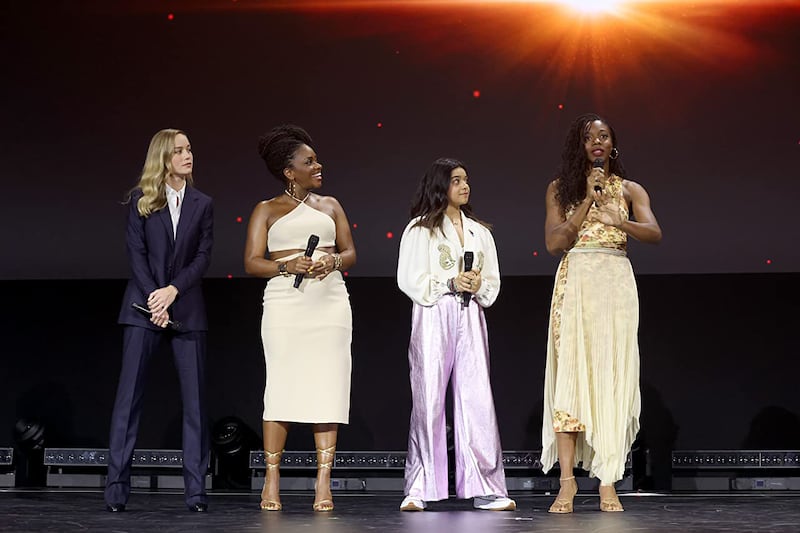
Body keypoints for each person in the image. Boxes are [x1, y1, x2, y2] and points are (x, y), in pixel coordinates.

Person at [541, 113, 662, 513]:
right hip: (576, 282)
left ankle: (608, 480)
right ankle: (567, 483)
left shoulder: (630, 188)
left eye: (604, 136)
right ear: (580, 146)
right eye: (589, 136)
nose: (597, 141)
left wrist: (619, 220)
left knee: (611, 376)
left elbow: (655, 233)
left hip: (615, 282)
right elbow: (554, 242)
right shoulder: (561, 189)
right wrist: (587, 203)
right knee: (571, 378)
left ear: (613, 145)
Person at [244, 125, 356, 512]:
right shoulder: (266, 210)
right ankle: (271, 481)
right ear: (290, 171)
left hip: (329, 303)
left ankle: (323, 484)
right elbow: (252, 262)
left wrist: (333, 260)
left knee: (328, 387)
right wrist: (286, 265)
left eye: (316, 159)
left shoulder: (331, 206)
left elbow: (351, 253)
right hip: (285, 305)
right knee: (282, 388)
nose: (318, 165)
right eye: (309, 162)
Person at [396, 158, 516, 512]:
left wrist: (477, 285)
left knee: (477, 398)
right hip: (435, 312)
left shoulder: (481, 232)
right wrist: (448, 282)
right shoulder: (419, 229)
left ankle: (487, 487)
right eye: (456, 181)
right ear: (440, 186)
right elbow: (409, 278)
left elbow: (492, 281)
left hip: (471, 313)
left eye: (466, 180)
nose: (465, 186)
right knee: (429, 396)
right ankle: (419, 487)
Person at [105, 129, 214, 513]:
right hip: (142, 309)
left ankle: (196, 493)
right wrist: (155, 296)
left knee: (195, 405)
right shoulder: (140, 200)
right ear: (163, 157)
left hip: (186, 309)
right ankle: (116, 490)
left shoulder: (203, 203)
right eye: (180, 150)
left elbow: (203, 257)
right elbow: (136, 255)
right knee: (128, 401)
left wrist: (173, 292)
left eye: (189, 149)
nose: (188, 155)